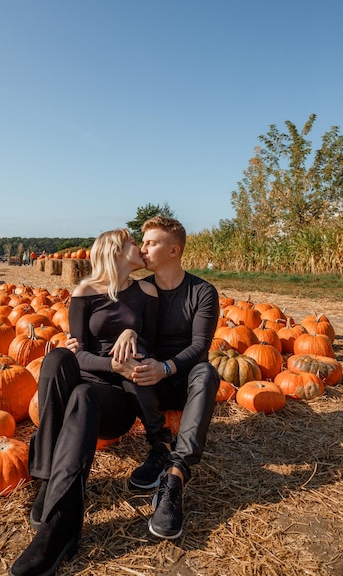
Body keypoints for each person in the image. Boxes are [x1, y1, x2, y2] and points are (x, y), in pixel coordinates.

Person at [8, 228, 170, 576]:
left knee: (86, 394)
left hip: (117, 400)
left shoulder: (146, 291)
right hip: (86, 382)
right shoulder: (84, 293)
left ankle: (58, 524)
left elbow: (151, 350)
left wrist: (133, 333)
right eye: (132, 242)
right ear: (115, 250)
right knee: (55, 358)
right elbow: (78, 357)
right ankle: (51, 483)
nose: (140, 248)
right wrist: (109, 362)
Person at [116, 216, 220, 540]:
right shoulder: (141, 289)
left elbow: (201, 347)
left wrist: (166, 367)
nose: (142, 248)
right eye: (142, 242)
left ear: (174, 250)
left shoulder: (202, 292)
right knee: (130, 357)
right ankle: (159, 446)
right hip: (150, 381)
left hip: (184, 378)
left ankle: (175, 477)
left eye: (151, 242)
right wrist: (130, 330)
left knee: (208, 373)